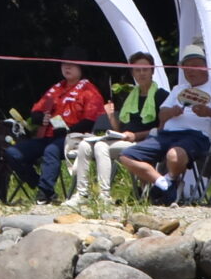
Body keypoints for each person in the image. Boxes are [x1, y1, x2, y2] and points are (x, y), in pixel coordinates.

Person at [118, 49, 211, 205]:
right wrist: (171, 112)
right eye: (186, 67)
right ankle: (164, 183)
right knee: (126, 156)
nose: (190, 71)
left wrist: (208, 112)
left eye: (195, 66)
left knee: (173, 156)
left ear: (206, 67)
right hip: (167, 134)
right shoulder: (178, 89)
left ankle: (168, 182)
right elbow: (162, 114)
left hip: (196, 136)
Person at [65, 52, 159, 207]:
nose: (141, 73)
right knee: (84, 144)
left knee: (101, 146)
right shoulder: (130, 97)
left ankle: (104, 195)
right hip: (122, 139)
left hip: (144, 142)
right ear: (132, 73)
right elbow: (120, 129)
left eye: (145, 69)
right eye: (137, 70)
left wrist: (135, 135)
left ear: (152, 70)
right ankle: (81, 194)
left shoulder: (160, 95)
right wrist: (111, 117)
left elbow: (161, 128)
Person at [9, 60, 105, 198]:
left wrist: (68, 130)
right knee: (13, 153)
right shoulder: (56, 88)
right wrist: (41, 118)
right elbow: (36, 111)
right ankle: (41, 186)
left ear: (81, 67)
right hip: (48, 136)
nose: (67, 67)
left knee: (51, 150)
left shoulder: (90, 91)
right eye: (64, 64)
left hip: (74, 138)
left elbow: (91, 121)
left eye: (72, 64)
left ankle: (44, 193)